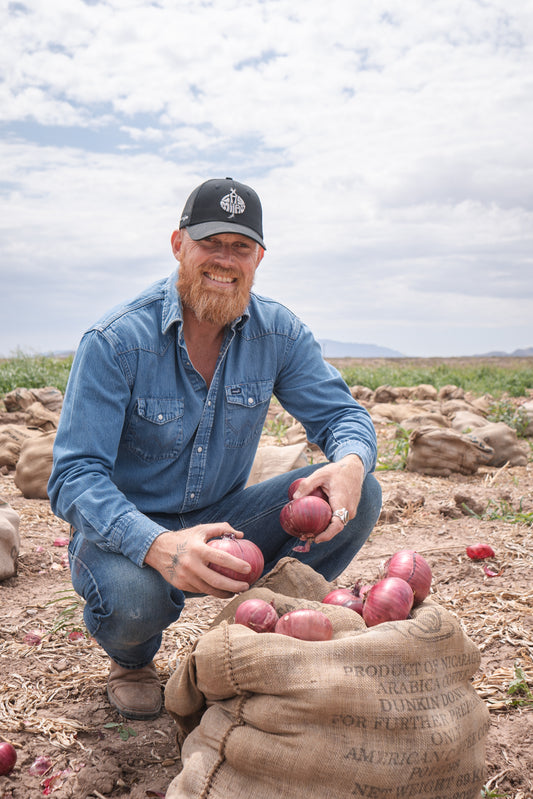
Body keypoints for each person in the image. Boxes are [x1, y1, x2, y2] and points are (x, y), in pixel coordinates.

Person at [48, 177, 382, 721]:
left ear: (259, 258)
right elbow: (74, 476)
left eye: (240, 248)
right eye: (210, 243)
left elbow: (343, 415)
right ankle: (131, 661)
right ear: (179, 245)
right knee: (137, 601)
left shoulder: (278, 333)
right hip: (127, 530)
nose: (224, 260)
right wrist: (157, 544)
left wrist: (348, 461)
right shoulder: (115, 340)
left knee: (360, 492)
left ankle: (262, 621)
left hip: (226, 521)